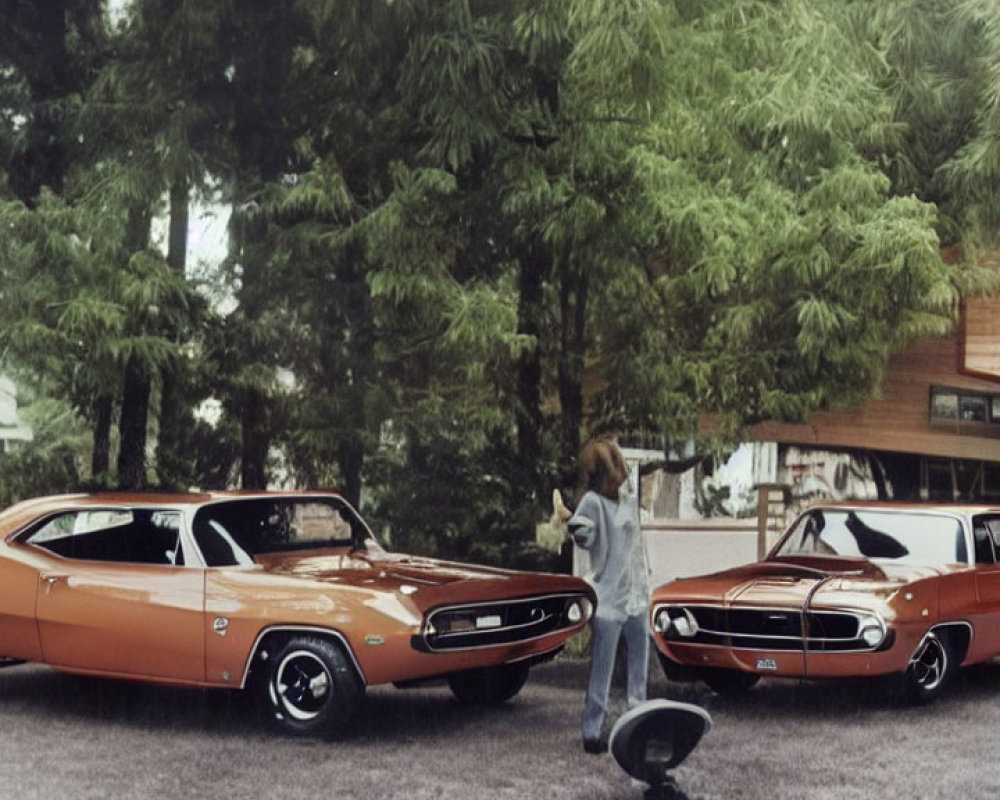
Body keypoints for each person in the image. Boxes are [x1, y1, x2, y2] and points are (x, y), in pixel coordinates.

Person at [565, 435, 650, 754]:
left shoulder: (628, 500)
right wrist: (575, 525)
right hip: (609, 597)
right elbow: (583, 536)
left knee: (638, 670)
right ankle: (592, 731)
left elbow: (637, 546)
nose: (619, 471)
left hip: (636, 593)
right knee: (603, 666)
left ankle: (637, 724)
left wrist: (645, 582)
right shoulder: (592, 502)